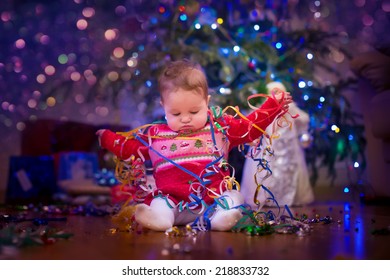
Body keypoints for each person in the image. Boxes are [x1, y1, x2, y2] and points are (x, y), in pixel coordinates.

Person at [96, 59, 292, 231]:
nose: (185, 119)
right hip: (173, 205)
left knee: (234, 196)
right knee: (159, 202)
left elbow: (249, 128)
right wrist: (107, 138)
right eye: (176, 114)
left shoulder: (220, 129)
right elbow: (130, 150)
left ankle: (222, 219)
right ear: (164, 107)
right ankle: (160, 219)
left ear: (206, 102)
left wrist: (273, 106)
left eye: (194, 111)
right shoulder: (155, 136)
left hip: (213, 203)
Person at [240, 82, 314, 209]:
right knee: (263, 170)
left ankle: (288, 196)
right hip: (266, 148)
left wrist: (302, 132)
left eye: (280, 92)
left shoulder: (290, 108)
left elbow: (304, 118)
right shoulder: (263, 110)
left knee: (289, 171)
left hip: (288, 149)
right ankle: (263, 198)